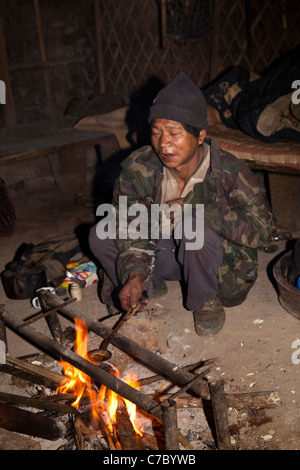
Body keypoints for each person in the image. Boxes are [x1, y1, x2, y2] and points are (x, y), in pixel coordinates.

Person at [89, 73, 273, 336]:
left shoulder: (228, 171)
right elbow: (128, 225)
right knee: (101, 233)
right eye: (156, 132)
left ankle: (204, 299)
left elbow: (262, 228)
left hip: (218, 265)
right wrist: (134, 274)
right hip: (164, 253)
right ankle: (149, 282)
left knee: (193, 224)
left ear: (200, 135)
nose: (163, 143)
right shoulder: (140, 169)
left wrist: (199, 208)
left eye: (174, 133)